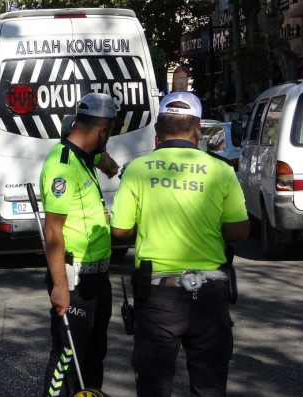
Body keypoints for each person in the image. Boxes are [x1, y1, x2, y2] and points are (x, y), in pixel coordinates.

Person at [110, 92, 249, 397]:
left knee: (154, 386)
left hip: (159, 295)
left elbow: (119, 231)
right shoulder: (222, 170)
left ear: (157, 131)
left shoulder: (137, 169)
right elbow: (239, 230)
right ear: (197, 129)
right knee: (210, 387)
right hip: (210, 294)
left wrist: (149, 227)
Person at [39, 93, 120, 397]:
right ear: (102, 131)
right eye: (109, 132)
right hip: (73, 279)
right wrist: (60, 287)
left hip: (98, 277)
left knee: (94, 355)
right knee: (67, 357)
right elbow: (52, 232)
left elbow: (106, 162)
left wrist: (116, 170)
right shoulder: (62, 166)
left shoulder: (88, 156)